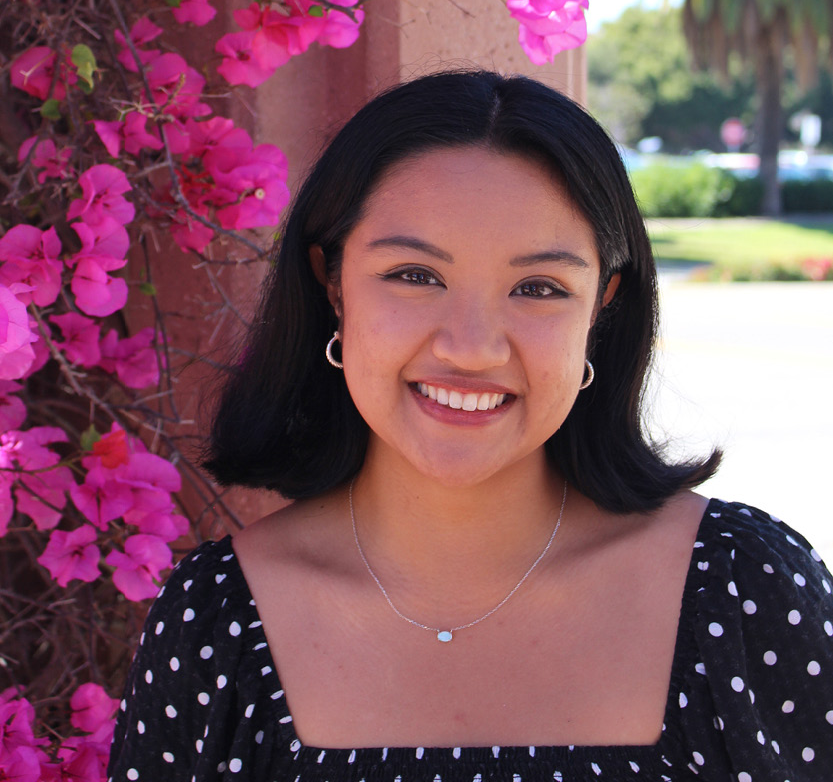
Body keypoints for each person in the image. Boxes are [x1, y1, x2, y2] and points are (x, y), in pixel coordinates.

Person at [108, 70, 833, 782]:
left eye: (538, 288)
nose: (471, 347)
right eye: (414, 275)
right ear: (333, 286)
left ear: (600, 311)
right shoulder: (218, 624)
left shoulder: (744, 590)